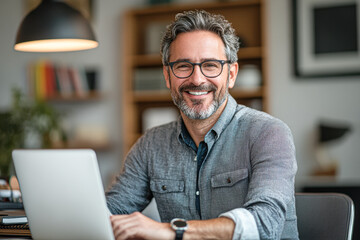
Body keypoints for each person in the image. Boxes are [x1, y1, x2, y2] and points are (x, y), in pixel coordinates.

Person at [106, 10, 298, 240]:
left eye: (210, 65)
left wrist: (170, 231)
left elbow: (266, 225)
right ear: (167, 76)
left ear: (232, 74)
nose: (197, 79)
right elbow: (109, 212)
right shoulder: (150, 145)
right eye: (183, 66)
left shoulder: (268, 133)